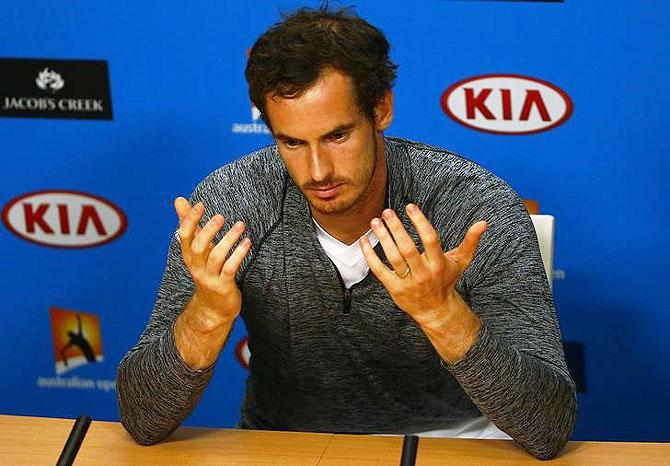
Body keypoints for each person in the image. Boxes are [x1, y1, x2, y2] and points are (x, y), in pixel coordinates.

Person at [117, 7, 576, 460]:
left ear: (381, 109)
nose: (317, 171)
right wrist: (207, 315)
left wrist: (442, 314)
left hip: (456, 441)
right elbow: (142, 419)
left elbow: (548, 428)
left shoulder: (473, 206)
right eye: (292, 143)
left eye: (338, 136)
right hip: (286, 444)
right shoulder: (232, 206)